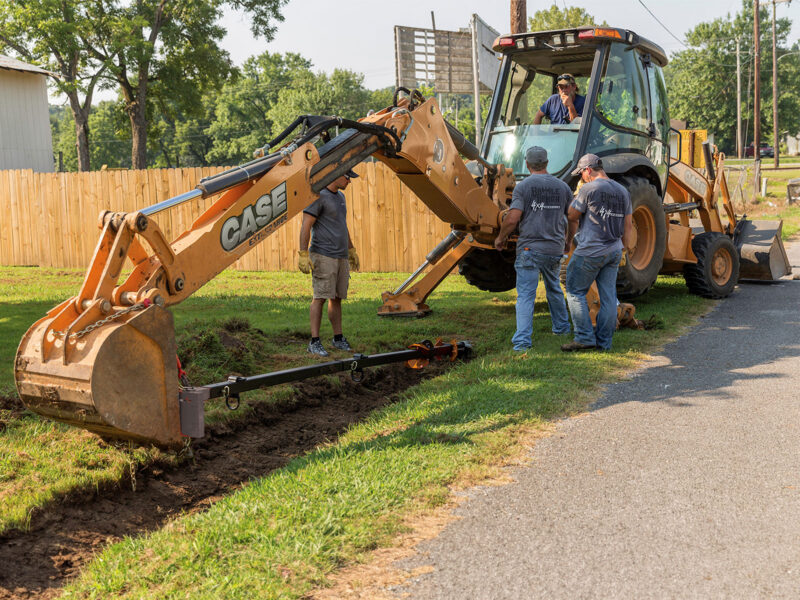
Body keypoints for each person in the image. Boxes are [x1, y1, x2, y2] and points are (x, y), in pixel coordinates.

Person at [494, 146, 574, 352]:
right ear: (547, 163)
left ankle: (522, 343)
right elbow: (573, 218)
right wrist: (568, 240)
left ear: (527, 164)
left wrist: (501, 237)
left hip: (529, 249)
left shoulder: (523, 187)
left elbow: (512, 218)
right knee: (554, 289)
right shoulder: (563, 187)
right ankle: (562, 329)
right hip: (554, 248)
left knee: (526, 296)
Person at [562, 154, 633, 352]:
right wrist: (625, 247)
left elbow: (572, 215)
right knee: (609, 297)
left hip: (590, 251)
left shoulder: (589, 188)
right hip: (614, 250)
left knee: (575, 291)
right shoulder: (623, 191)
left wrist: (575, 202)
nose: (582, 178)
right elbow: (628, 225)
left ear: (588, 170)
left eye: (581, 174)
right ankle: (604, 343)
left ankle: (584, 337)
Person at [298, 169, 360, 357]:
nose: (349, 181)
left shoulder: (340, 197)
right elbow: (306, 225)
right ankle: (314, 342)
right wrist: (302, 252)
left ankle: (338, 338)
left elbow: (342, 225)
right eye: (348, 177)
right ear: (336, 175)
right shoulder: (319, 196)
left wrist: (351, 250)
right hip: (323, 255)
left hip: (340, 256)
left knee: (337, 297)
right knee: (320, 297)